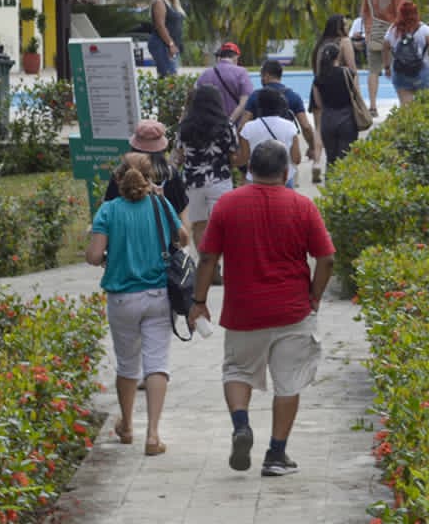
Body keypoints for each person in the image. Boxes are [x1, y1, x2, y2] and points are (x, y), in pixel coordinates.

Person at [188, 140, 335, 478]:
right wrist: (314, 297)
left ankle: (242, 425)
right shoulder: (303, 206)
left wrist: (199, 303)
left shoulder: (227, 205)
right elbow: (326, 258)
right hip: (293, 310)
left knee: (238, 372)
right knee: (289, 383)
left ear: (249, 170)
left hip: (243, 312)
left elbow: (208, 257)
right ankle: (276, 454)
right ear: (286, 172)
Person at [86, 153, 188, 456]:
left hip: (121, 297)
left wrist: (108, 256)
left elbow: (94, 256)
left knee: (128, 364)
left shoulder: (108, 211)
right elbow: (182, 238)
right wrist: (159, 197)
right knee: (157, 363)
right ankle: (153, 435)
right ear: (151, 178)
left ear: (117, 179)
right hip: (157, 295)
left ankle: (127, 426)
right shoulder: (159, 205)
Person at [174, 83, 241, 255]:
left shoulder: (185, 127)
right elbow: (234, 155)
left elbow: (179, 154)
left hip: (192, 182)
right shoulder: (227, 126)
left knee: (199, 224)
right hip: (220, 180)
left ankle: (207, 264)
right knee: (223, 225)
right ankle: (217, 261)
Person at [104, 120, 189, 236]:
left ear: (134, 146)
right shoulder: (170, 175)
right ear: (162, 148)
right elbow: (183, 215)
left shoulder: (120, 174)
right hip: (165, 247)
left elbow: (108, 214)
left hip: (127, 245)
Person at [241, 59, 319, 176]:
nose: (261, 79)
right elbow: (306, 127)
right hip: (284, 162)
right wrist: (312, 147)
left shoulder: (255, 96)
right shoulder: (293, 96)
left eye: (261, 75)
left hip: (259, 161)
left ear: (266, 75)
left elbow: (242, 126)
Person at [361, 0, 406, 115]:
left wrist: (367, 32)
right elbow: (401, 12)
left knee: (373, 70)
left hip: (374, 34)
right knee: (398, 69)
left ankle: (373, 106)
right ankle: (403, 104)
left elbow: (365, 12)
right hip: (392, 34)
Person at [382, 0, 429, 106]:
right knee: (425, 104)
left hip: (400, 72)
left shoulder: (393, 30)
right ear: (416, 13)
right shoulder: (424, 29)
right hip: (421, 71)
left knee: (406, 106)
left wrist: (387, 67)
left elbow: (385, 48)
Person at [238, 86, 301, 188]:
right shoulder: (290, 127)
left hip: (256, 180)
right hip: (283, 179)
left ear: (259, 106)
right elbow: (296, 159)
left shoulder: (248, 128)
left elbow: (244, 159)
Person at [311, 42, 358, 170]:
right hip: (347, 118)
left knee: (330, 160)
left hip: (328, 119)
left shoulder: (318, 78)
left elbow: (318, 103)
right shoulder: (348, 73)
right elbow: (356, 95)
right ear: (338, 57)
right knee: (346, 159)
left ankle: (330, 185)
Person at [196, 42, 254, 127]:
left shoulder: (205, 74)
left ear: (220, 57)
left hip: (209, 127)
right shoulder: (241, 73)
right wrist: (229, 122)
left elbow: (195, 100)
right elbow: (244, 102)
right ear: (236, 57)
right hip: (233, 128)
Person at [147, 0, 185, 77]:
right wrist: (171, 44)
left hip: (169, 45)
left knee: (167, 78)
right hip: (162, 44)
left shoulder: (173, 4)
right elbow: (160, 26)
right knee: (170, 77)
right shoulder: (160, 2)